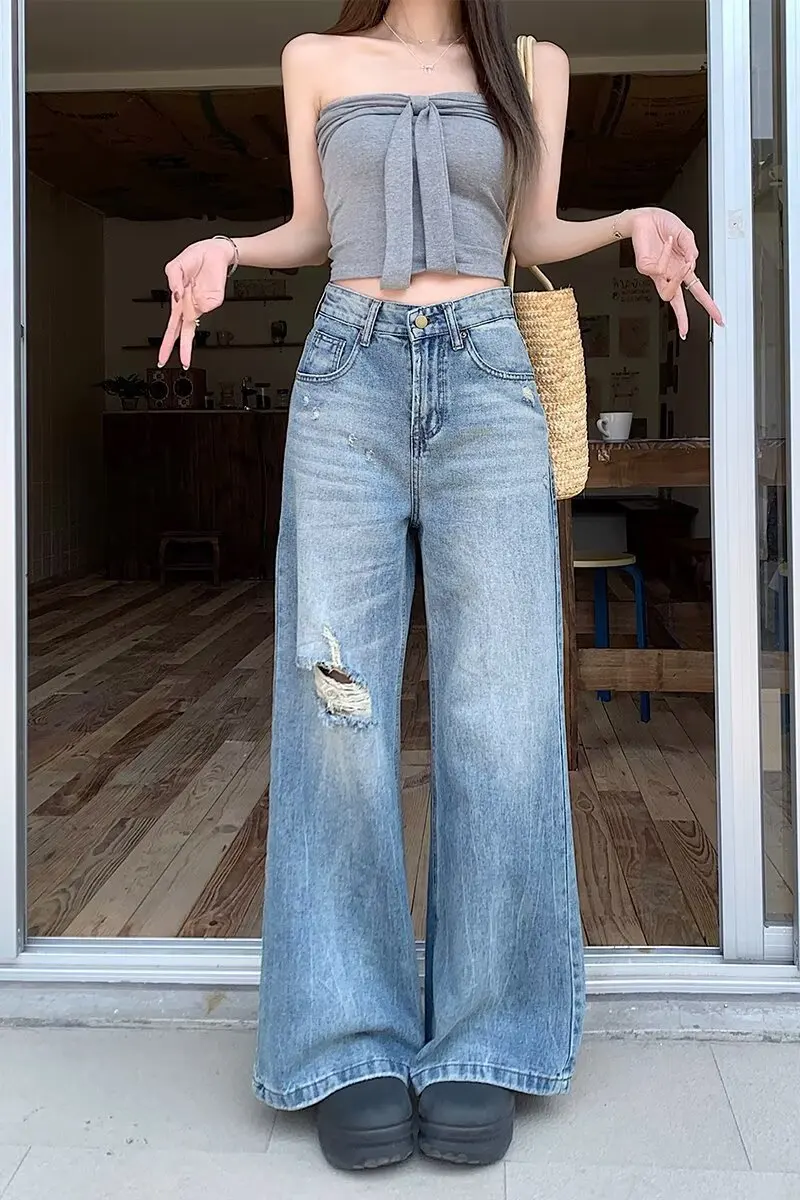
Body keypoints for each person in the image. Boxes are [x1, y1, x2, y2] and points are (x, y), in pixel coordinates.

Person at [158, 0, 724, 1173]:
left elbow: (531, 227)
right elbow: (314, 229)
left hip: (485, 377)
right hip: (346, 377)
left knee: (501, 711)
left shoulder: (530, 64)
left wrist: (630, 221)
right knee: (336, 710)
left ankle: (489, 1033)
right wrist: (230, 250)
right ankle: (345, 1038)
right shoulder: (315, 59)